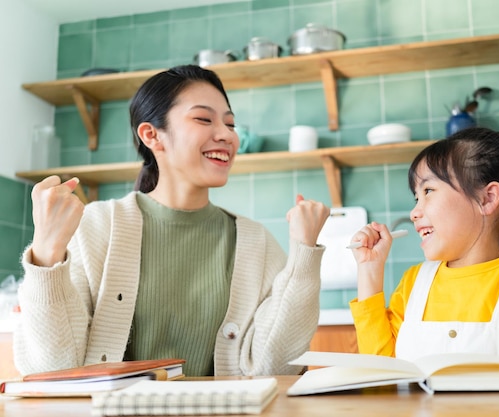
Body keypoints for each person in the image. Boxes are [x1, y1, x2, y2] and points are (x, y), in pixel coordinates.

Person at [14, 65, 330, 377]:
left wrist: (304, 253)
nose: (226, 135)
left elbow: (277, 369)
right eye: (204, 119)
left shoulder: (256, 242)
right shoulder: (96, 227)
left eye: (230, 124)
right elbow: (52, 372)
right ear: (152, 135)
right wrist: (46, 254)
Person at [348, 127, 499, 365]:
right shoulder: (413, 284)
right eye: (416, 197)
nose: (414, 212)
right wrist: (369, 270)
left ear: (487, 198)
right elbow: (381, 372)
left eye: (428, 190)